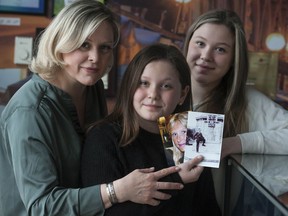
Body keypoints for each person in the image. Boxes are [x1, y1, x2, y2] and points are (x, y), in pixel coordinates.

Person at [0, 1, 188, 215]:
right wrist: (118, 190)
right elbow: (42, 207)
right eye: (84, 45)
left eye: (105, 48)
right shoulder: (30, 111)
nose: (95, 58)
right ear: (60, 42)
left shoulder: (92, 86)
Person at [81, 43, 221, 215]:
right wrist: (176, 180)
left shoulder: (193, 135)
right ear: (130, 85)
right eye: (144, 83)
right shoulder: (104, 136)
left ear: (183, 94)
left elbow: (209, 208)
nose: (153, 94)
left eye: (166, 86)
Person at [183, 9, 288, 212]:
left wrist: (234, 143)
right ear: (187, 44)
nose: (206, 56)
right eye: (200, 43)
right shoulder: (160, 92)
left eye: (220, 49)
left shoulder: (246, 100)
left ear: (233, 60)